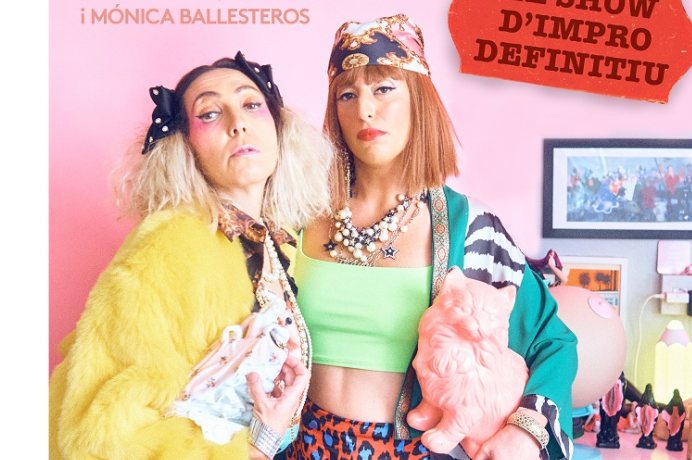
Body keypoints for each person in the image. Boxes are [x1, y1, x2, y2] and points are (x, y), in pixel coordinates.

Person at [282, 14, 578, 460]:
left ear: (418, 99)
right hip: (305, 446)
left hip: (417, 451)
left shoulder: (469, 226)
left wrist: (527, 431)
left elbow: (554, 342)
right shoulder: (294, 217)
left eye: (384, 89)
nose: (364, 110)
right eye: (347, 94)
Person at [49, 51, 334, 459]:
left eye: (251, 105)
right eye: (210, 114)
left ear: (280, 128)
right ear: (185, 147)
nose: (238, 123)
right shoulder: (171, 245)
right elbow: (102, 432)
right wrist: (254, 449)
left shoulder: (273, 241)